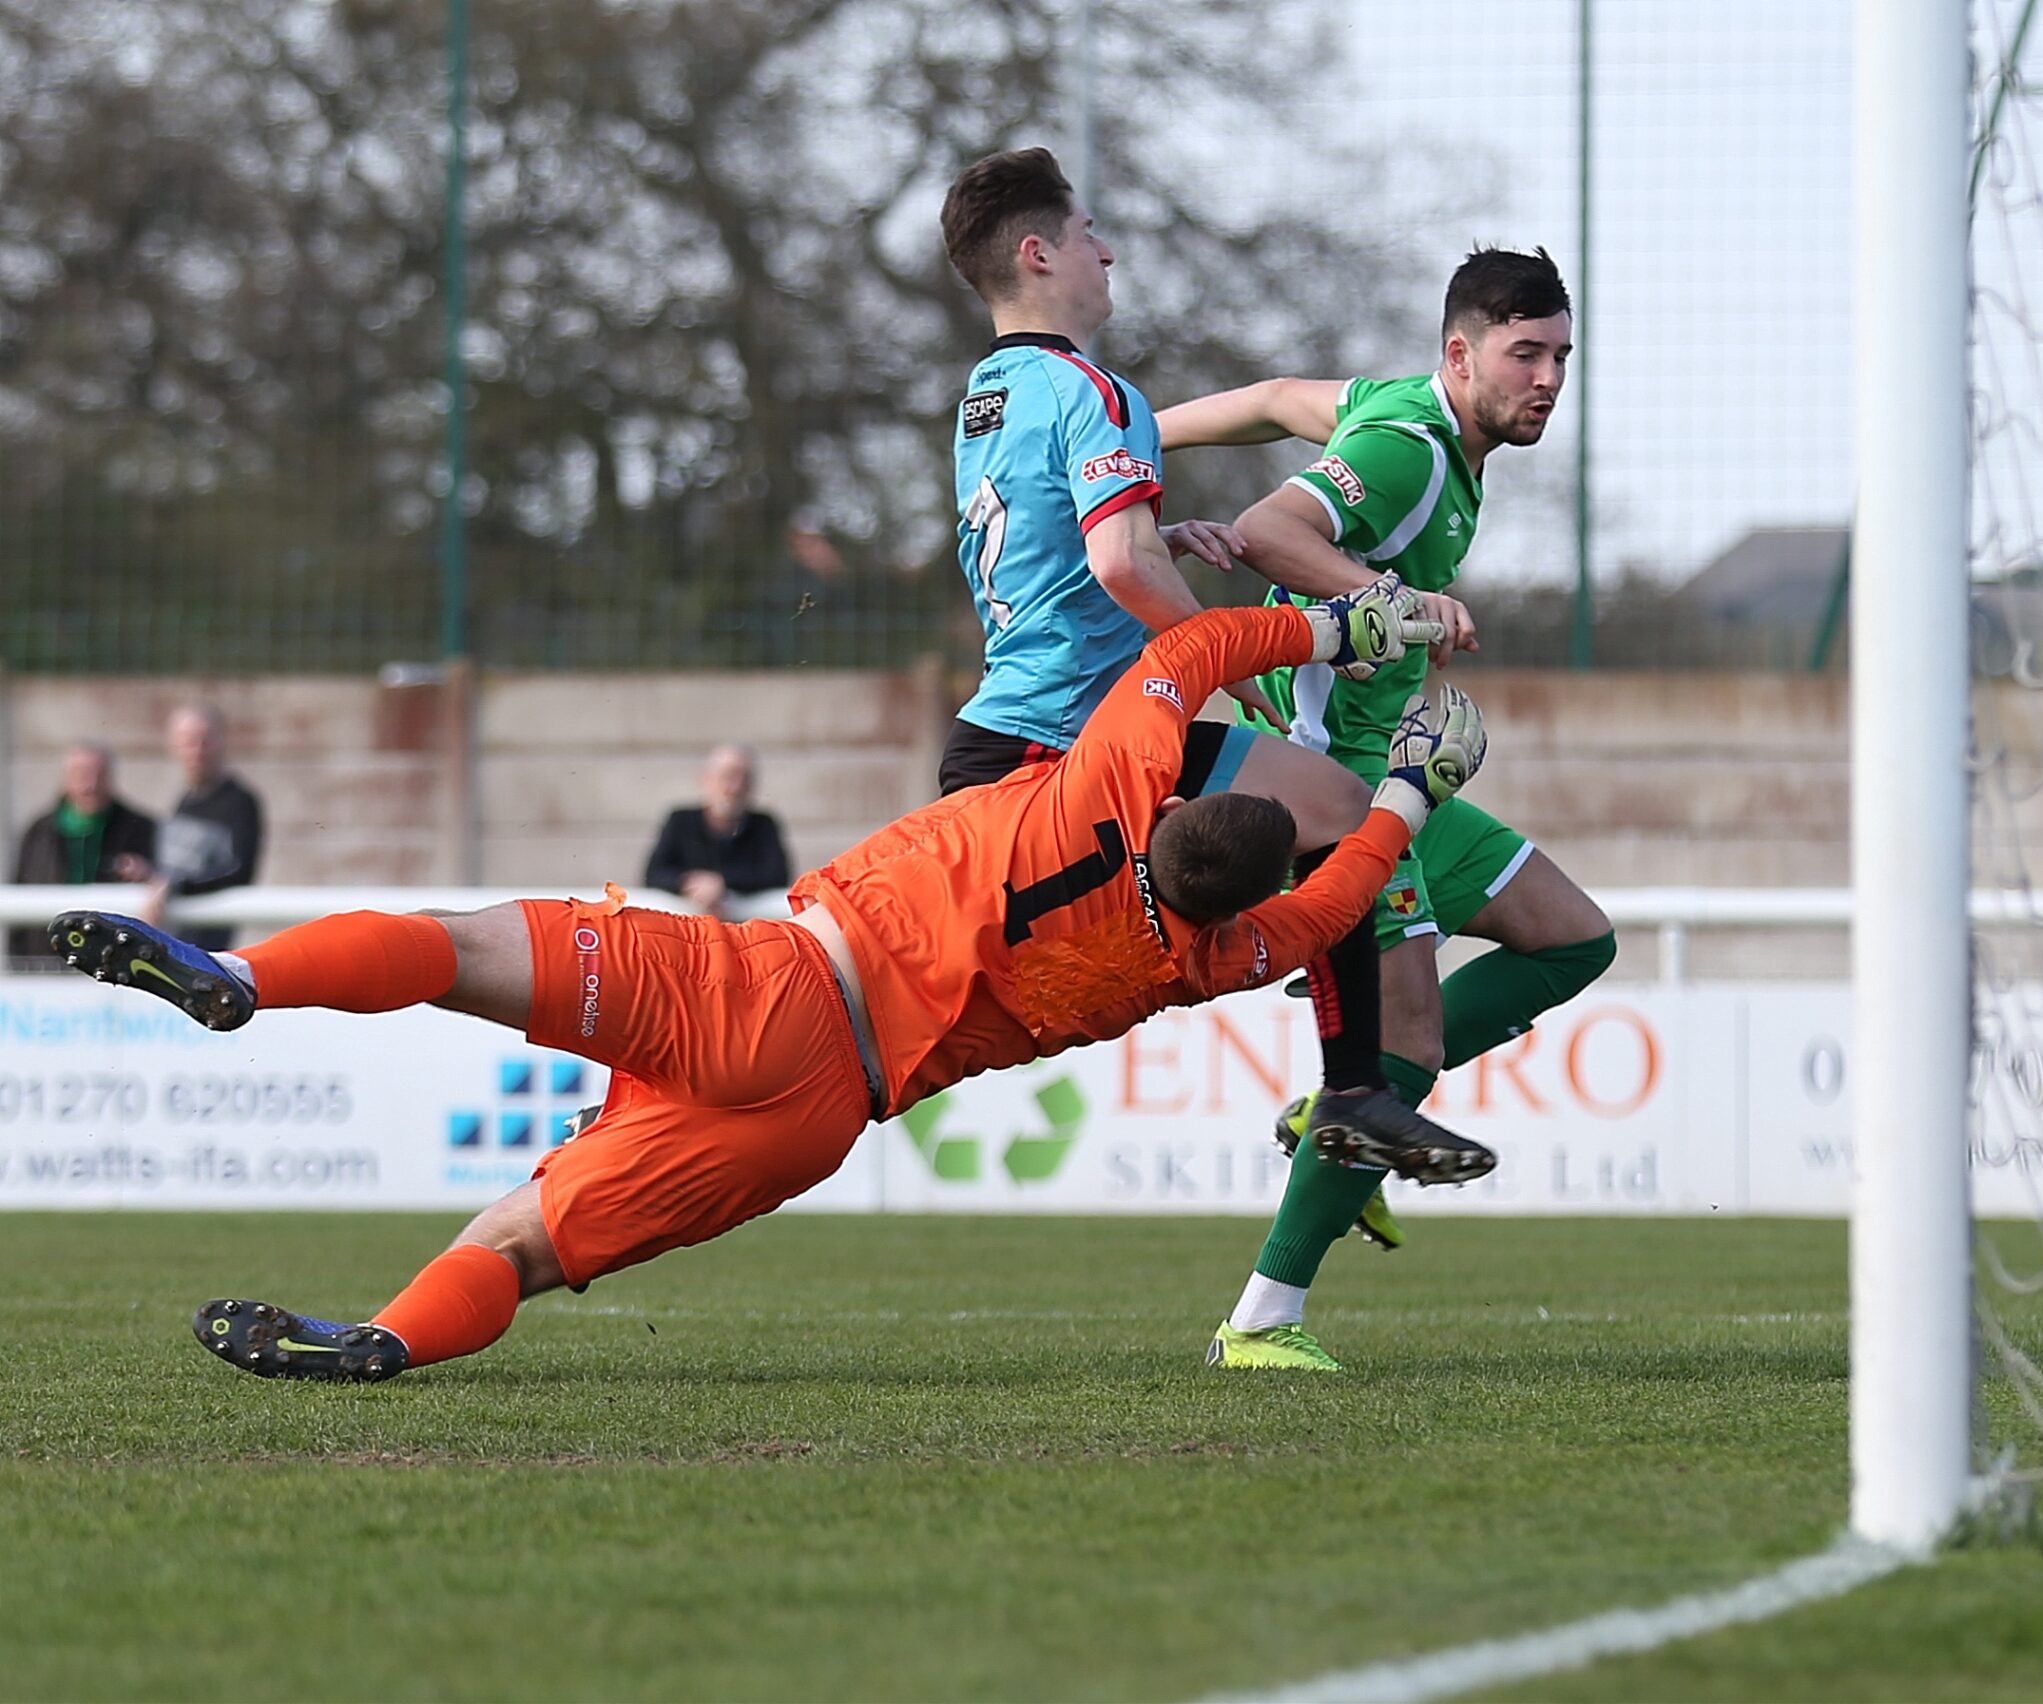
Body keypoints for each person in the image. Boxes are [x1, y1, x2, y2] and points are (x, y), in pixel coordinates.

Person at [51, 591, 1493, 1385]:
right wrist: (1414, 789)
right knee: (532, 1240)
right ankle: (383, 1337)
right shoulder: (1210, 956)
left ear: (1166, 800)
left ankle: (242, 975)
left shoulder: (1107, 781)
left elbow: (1194, 649)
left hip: (772, 985)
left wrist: (1359, 630)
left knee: (467, 948)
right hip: (821, 1115)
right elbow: (1342, 899)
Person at [933, 146, 1466, 1233]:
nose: (1106, 250)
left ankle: (1353, 1089)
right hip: (1076, 746)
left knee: (1325, 809)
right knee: (933, 1013)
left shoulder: (986, 394)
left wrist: (1159, 539)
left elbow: (1072, 555)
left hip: (1010, 733)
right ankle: (1353, 1083)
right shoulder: (1094, 390)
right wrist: (1240, 654)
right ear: (1038, 253)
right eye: (1087, 234)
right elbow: (1120, 569)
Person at [1156, 247, 1620, 1370]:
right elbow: (1270, 531)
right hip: (1327, 789)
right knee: (1401, 1040)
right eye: (1525, 354)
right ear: (1459, 353)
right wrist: (1393, 597)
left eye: (1561, 355)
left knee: (1571, 938)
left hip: (1380, 767)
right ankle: (1263, 1320)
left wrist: (1127, 438)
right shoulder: (1406, 450)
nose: (1548, 378)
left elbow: (1273, 401)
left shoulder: (1400, 411)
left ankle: (1340, 1113)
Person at [10, 744, 155, 962]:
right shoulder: (39, 831)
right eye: (82, 775)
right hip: (45, 958)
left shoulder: (139, 828)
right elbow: (20, 892)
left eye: (99, 775)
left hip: (114, 961)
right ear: (66, 779)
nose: (91, 785)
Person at [145, 703, 264, 951]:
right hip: (170, 941)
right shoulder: (185, 801)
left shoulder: (240, 802)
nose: (197, 751)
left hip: (206, 949)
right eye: (189, 741)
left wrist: (179, 887)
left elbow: (238, 872)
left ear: (222, 742)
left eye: (205, 740)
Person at [643, 743, 793, 914]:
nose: (735, 788)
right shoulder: (680, 820)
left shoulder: (764, 824)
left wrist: (721, 883)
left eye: (745, 779)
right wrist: (691, 883)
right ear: (706, 779)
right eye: (728, 776)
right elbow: (654, 874)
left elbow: (777, 875)